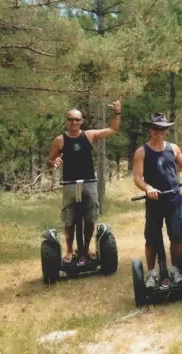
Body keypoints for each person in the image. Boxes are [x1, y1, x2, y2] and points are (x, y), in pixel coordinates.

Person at [133, 113, 182, 289]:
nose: (160, 131)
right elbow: (137, 177)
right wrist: (148, 188)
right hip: (154, 201)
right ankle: (151, 273)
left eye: (163, 128)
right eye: (156, 128)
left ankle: (174, 269)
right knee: (151, 239)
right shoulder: (141, 151)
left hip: (173, 199)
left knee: (176, 236)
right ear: (150, 129)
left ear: (166, 130)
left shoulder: (173, 148)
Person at [47, 100, 122, 265]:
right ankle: (69, 250)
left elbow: (113, 129)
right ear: (66, 121)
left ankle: (86, 248)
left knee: (90, 218)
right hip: (69, 184)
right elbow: (50, 160)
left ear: (81, 121)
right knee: (69, 219)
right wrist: (54, 163)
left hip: (89, 182)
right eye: (71, 119)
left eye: (77, 119)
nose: (74, 122)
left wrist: (117, 113)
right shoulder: (60, 140)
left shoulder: (89, 135)